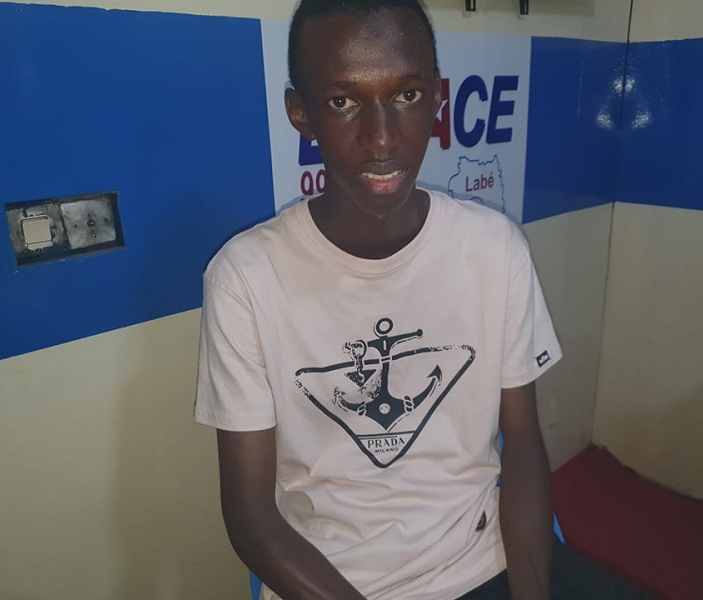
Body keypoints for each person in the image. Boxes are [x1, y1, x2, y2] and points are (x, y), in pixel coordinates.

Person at [195, 1, 564, 598]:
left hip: (478, 561)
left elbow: (522, 445)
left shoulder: (494, 250)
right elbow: (251, 518)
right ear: (301, 114)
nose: (383, 138)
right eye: (343, 101)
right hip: (330, 580)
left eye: (407, 95)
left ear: (438, 97)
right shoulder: (246, 279)